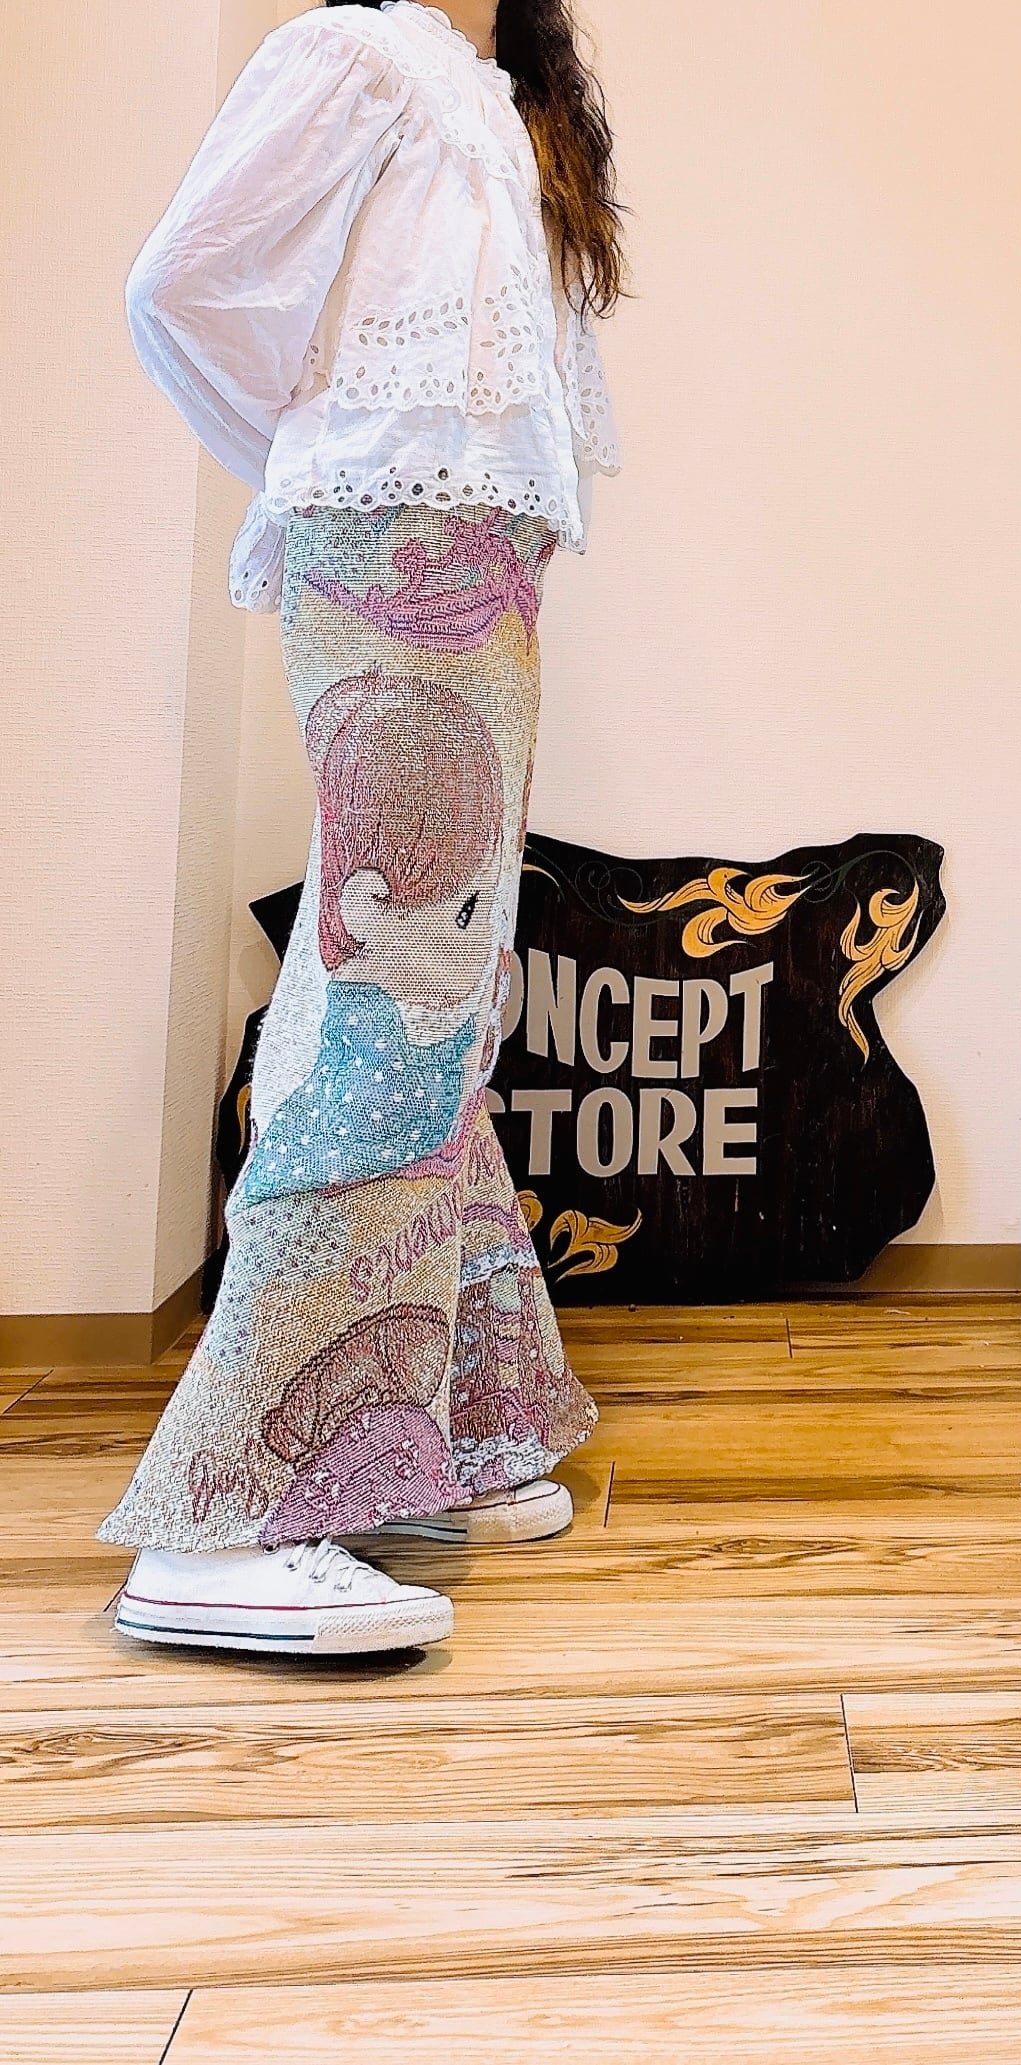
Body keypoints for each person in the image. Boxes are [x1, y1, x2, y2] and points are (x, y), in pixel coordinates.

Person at [99, 0, 625, 1657]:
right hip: (392, 544)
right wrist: (320, 454)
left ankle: (417, 1434)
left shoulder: (501, 102)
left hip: (482, 569)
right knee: (390, 994)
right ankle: (224, 1519)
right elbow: (181, 286)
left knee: (447, 998)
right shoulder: (356, 57)